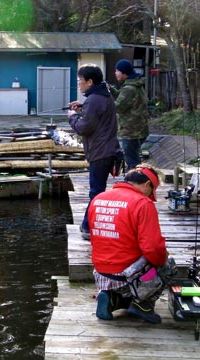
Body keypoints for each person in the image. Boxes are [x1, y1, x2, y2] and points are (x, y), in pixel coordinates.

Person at [87, 163, 176, 323]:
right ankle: (143, 305)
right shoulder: (143, 203)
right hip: (126, 277)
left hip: (101, 274)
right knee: (168, 264)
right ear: (148, 184)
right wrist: (163, 257)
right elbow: (153, 248)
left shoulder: (98, 199)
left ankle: (111, 298)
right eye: (152, 191)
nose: (151, 196)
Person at [67, 64, 123, 240]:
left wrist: (72, 117)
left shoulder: (94, 99)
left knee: (96, 192)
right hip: (108, 150)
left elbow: (85, 127)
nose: (79, 85)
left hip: (100, 153)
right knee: (98, 190)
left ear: (90, 82)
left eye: (80, 81)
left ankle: (87, 227)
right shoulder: (103, 96)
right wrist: (82, 109)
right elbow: (97, 116)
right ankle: (90, 226)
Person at [109, 59, 149, 171]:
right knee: (133, 157)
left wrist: (101, 102)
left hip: (132, 132)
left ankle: (134, 182)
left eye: (117, 71)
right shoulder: (134, 85)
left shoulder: (129, 89)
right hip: (139, 129)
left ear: (124, 73)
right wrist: (111, 89)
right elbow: (123, 99)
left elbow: (117, 106)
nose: (115, 73)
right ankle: (135, 181)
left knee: (132, 161)